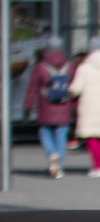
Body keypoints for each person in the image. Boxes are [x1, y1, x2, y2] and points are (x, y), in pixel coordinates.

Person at [21, 47, 72, 179]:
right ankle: (59, 164)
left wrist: (28, 105)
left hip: (46, 106)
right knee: (61, 134)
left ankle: (52, 154)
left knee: (45, 132)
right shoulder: (69, 66)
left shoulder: (40, 67)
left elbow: (33, 88)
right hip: (64, 105)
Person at [68, 49, 100, 178]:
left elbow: (77, 88)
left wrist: (70, 90)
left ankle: (98, 167)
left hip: (89, 107)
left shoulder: (84, 69)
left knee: (92, 137)